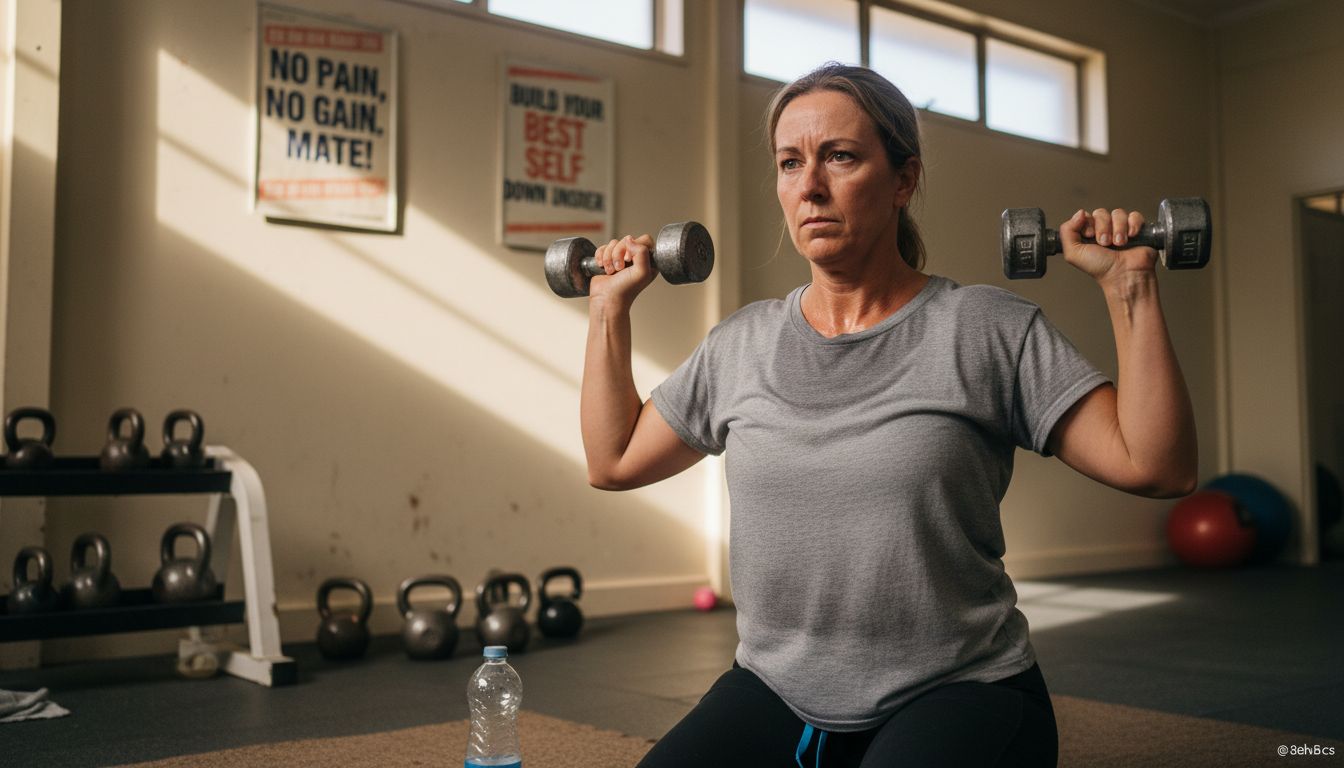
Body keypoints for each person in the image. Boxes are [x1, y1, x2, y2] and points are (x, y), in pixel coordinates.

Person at [578, 63, 1197, 768]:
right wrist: (608, 308)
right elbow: (614, 460)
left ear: (904, 180)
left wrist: (1132, 286)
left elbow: (1158, 467)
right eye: (789, 162)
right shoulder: (740, 344)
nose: (809, 186)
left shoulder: (984, 329)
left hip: (960, 688)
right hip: (777, 688)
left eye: (839, 157)